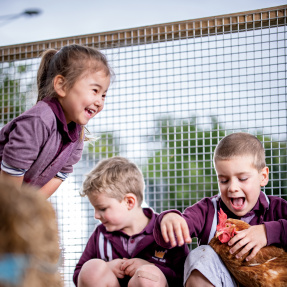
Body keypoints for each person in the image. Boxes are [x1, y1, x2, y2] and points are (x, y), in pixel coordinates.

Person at [153, 132, 287, 287]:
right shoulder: (207, 210)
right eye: (224, 180)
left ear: (263, 177)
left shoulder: (277, 208)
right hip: (221, 282)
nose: (232, 188)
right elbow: (180, 227)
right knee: (200, 254)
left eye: (242, 179)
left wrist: (267, 232)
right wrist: (169, 220)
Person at [0, 44, 112, 198]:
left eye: (103, 95)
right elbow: (11, 177)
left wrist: (32, 207)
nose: (99, 101)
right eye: (95, 90)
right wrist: (15, 213)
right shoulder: (38, 121)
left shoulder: (77, 137)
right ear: (61, 85)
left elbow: (59, 175)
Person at [73, 156, 188, 287]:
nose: (96, 215)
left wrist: (151, 267)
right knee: (91, 268)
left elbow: (183, 276)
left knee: (147, 275)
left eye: (102, 209)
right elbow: (79, 274)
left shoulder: (166, 229)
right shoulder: (100, 235)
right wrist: (107, 267)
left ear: (129, 202)